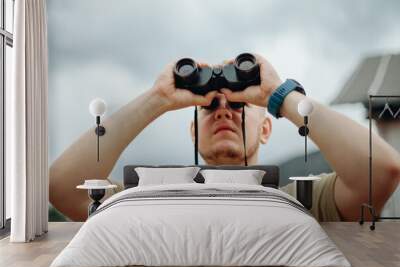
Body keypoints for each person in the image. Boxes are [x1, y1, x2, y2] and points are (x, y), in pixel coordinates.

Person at [50, 54, 400, 222]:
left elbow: (382, 170)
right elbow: (63, 187)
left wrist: (278, 94)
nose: (222, 110)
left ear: (266, 129)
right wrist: (158, 99)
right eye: (209, 106)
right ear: (193, 131)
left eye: (239, 104)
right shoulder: (150, 201)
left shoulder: (303, 202)